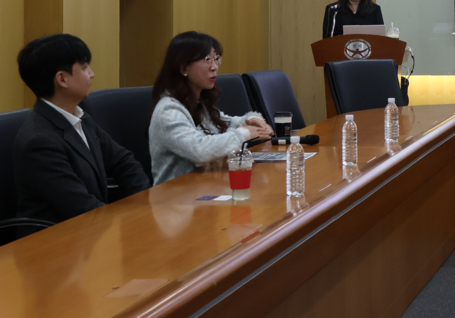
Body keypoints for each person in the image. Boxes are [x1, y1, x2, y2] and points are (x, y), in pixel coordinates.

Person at [12, 34, 150, 232]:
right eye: (84, 68)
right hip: (57, 241)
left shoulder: (81, 118)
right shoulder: (39, 142)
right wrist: (131, 221)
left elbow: (124, 162)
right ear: (62, 79)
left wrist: (143, 205)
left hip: (90, 231)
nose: (92, 74)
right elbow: (80, 207)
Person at [148, 32, 273, 185]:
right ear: (183, 67)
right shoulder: (168, 111)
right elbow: (199, 150)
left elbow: (229, 123)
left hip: (204, 188)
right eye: (207, 60)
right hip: (175, 195)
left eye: (216, 59)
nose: (214, 67)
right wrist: (244, 134)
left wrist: (253, 120)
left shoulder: (198, 102)